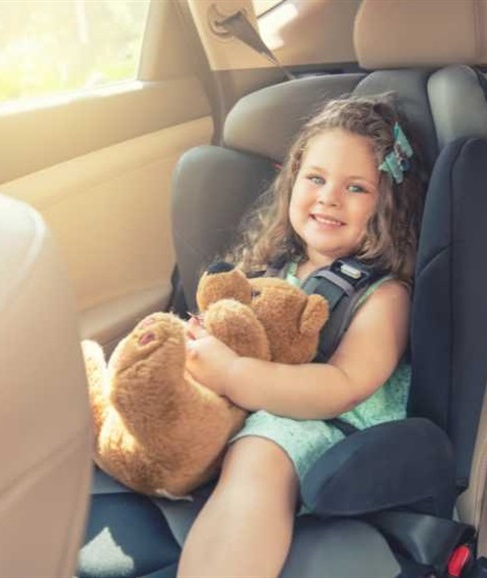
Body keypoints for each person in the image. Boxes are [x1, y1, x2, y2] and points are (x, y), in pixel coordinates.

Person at [178, 95, 425, 578]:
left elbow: (342, 386)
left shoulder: (384, 296)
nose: (329, 197)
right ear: (292, 180)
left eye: (356, 188)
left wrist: (232, 373)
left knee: (260, 455)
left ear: (389, 206)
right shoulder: (273, 268)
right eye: (315, 178)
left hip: (332, 429)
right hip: (253, 401)